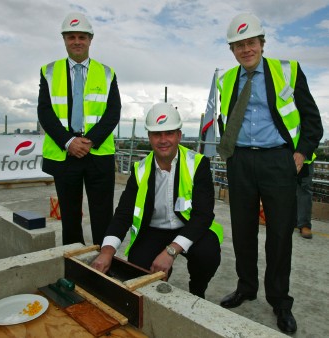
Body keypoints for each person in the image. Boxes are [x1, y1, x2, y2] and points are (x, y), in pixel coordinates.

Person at [217, 13, 323, 333]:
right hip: (241, 163)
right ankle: (246, 287)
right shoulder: (227, 80)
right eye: (239, 45)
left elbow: (311, 119)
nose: (246, 49)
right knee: (243, 231)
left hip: (278, 161)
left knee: (279, 236)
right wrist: (230, 154)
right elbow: (226, 118)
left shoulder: (288, 71)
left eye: (251, 42)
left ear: (262, 44)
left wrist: (301, 153)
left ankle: (279, 301)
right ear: (232, 50)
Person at [91, 103, 223, 299]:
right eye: (156, 134)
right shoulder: (140, 169)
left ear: (179, 135)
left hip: (187, 226)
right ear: (149, 137)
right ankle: (159, 290)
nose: (163, 140)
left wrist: (170, 252)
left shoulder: (197, 164)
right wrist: (107, 251)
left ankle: (197, 290)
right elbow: (123, 214)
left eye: (169, 133)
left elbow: (203, 215)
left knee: (207, 253)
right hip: (153, 229)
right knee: (139, 270)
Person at [37, 12, 121, 245]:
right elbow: (45, 111)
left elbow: (113, 112)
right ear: (64, 39)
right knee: (70, 216)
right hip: (66, 154)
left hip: (97, 153)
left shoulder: (107, 73)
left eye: (82, 37)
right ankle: (74, 265)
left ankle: (104, 265)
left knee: (103, 214)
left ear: (90, 40)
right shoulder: (49, 71)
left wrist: (90, 140)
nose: (76, 41)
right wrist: (68, 142)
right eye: (71, 36)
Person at [297, 161, 315, 239]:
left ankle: (304, 225)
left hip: (304, 158)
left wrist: (302, 153)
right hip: (283, 155)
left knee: (304, 190)